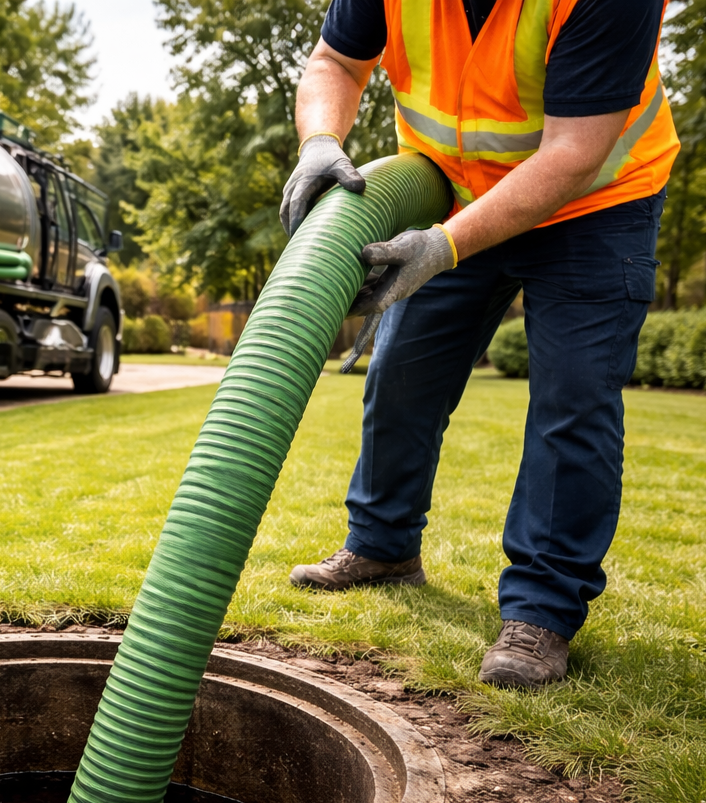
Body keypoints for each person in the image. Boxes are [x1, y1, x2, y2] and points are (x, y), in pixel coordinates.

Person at [281, 0, 678, 688]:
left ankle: (541, 613)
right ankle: (383, 547)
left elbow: (576, 151)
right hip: (461, 190)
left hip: (596, 203)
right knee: (403, 376)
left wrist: (443, 247)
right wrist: (320, 140)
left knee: (572, 400)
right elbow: (336, 61)